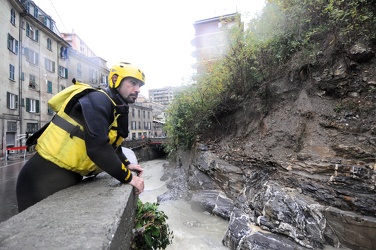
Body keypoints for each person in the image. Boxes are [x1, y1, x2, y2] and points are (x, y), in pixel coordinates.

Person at [16, 62, 145, 212]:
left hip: (62, 178)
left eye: (140, 86)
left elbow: (111, 144)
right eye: (133, 83)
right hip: (38, 180)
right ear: (115, 79)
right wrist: (129, 178)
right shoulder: (98, 100)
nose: (137, 90)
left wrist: (126, 163)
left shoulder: (115, 106)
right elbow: (98, 148)